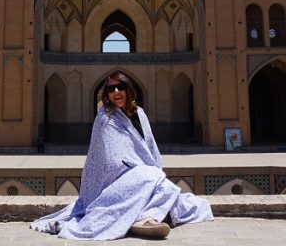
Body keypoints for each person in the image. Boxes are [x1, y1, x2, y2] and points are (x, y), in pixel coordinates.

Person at [30, 73, 213, 240]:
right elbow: (112, 160)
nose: (116, 92)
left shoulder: (140, 114)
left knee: (183, 199)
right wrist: (143, 172)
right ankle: (146, 218)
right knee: (158, 181)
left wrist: (148, 171)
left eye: (120, 87)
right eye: (111, 89)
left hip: (143, 175)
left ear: (128, 89)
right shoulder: (105, 118)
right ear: (106, 95)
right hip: (115, 181)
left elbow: (150, 148)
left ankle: (144, 217)